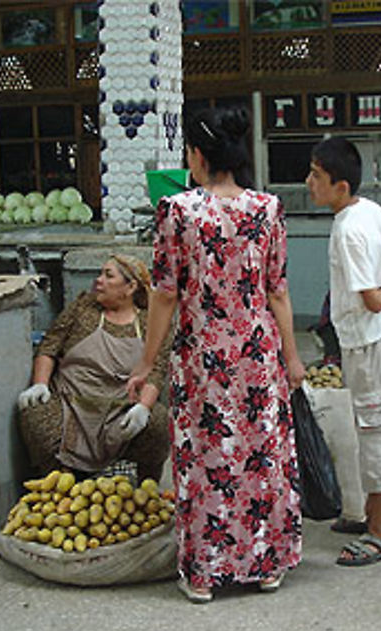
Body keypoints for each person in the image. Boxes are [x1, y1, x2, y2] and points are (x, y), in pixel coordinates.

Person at [127, 106, 306, 603]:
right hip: (258, 356)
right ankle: (266, 564)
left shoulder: (178, 211)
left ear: (199, 156)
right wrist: (291, 358)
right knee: (261, 453)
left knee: (207, 459)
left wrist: (146, 363)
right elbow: (278, 291)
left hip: (203, 358)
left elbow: (165, 294)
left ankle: (206, 572)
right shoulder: (267, 209)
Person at [306, 136, 381, 566]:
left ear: (341, 186)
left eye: (316, 176)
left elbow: (375, 297)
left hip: (367, 344)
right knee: (374, 428)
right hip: (372, 340)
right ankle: (370, 516)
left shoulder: (350, 229)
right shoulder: (372, 211)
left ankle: (380, 532)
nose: (309, 182)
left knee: (376, 432)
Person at [17, 253, 171, 484]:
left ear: (130, 288)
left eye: (108, 275)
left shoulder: (150, 323)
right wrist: (40, 384)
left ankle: (146, 492)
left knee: (158, 424)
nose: (98, 280)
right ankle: (59, 491)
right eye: (100, 273)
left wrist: (143, 407)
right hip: (70, 404)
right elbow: (49, 346)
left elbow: (156, 370)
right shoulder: (83, 309)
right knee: (36, 415)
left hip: (119, 409)